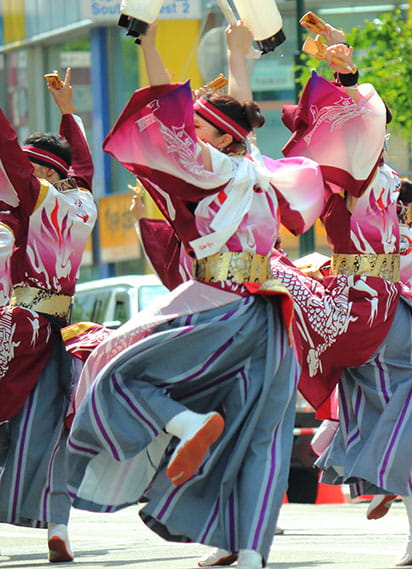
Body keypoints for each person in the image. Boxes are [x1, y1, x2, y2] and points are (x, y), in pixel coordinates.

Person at [65, 23, 324, 569]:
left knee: (115, 370)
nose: (191, 128)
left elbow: (164, 112)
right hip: (274, 314)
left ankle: (185, 426)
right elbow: (228, 112)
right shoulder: (255, 166)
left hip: (220, 304)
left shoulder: (208, 166)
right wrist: (237, 56)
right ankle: (249, 551)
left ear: (222, 137)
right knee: (259, 437)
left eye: (202, 124)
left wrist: (150, 46)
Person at [280, 29, 412, 566]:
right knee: (376, 405)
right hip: (398, 306)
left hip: (359, 308)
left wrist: (345, 74)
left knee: (280, 290)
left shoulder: (353, 181)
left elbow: (353, 130)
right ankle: (411, 498)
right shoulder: (388, 186)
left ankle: (385, 467)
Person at [0, 67, 97, 563]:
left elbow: (11, 155)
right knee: (54, 431)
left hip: (18, 328)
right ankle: (58, 526)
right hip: (60, 333)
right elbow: (83, 165)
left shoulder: (32, 200)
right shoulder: (83, 203)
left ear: (41, 173)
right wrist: (67, 112)